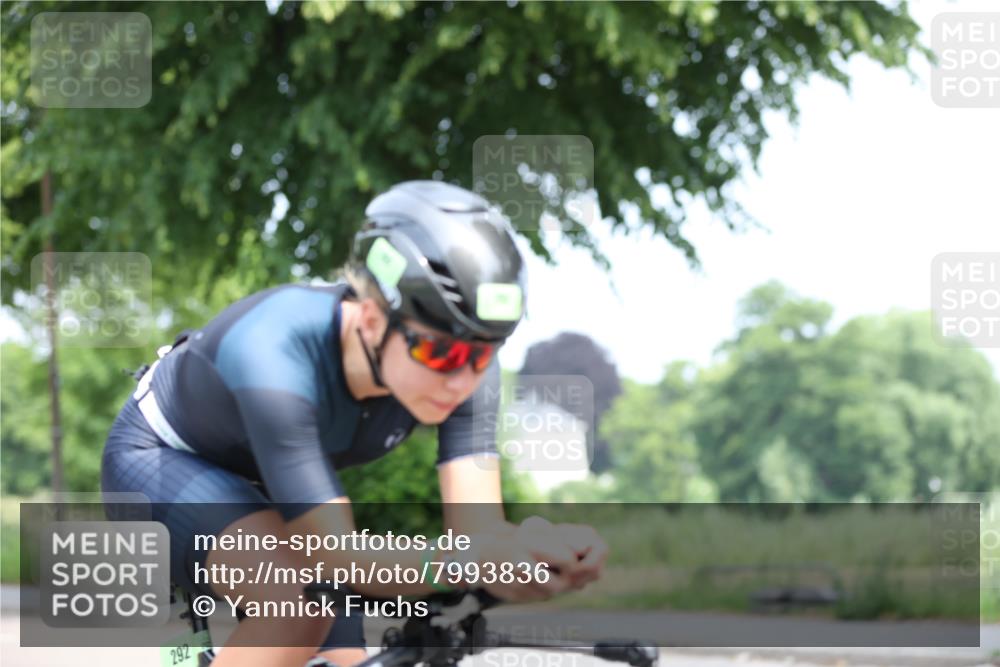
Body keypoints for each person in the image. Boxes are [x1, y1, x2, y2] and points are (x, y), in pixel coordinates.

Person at [101, 180, 608, 667]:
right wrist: (468, 561)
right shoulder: (271, 350)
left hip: (264, 480)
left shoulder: (466, 366)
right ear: (370, 319)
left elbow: (476, 537)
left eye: (483, 355)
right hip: (160, 459)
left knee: (345, 658)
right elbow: (338, 557)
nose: (461, 379)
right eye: (438, 351)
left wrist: (537, 558)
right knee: (298, 607)